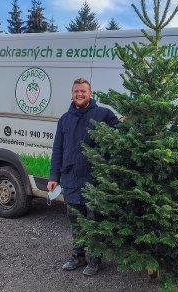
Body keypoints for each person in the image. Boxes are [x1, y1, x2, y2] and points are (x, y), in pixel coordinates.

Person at [47, 78, 119, 276]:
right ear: (72, 93)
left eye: (83, 91)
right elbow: (58, 150)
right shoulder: (65, 119)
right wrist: (54, 177)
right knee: (76, 220)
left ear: (90, 93)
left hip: (95, 179)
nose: (80, 94)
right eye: (76, 91)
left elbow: (120, 134)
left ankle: (95, 259)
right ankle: (77, 256)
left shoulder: (103, 114)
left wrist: (127, 120)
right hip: (71, 179)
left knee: (95, 219)